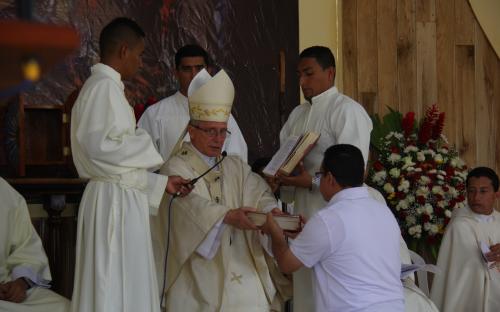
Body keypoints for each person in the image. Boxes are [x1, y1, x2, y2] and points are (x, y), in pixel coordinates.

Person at [70, 17, 191, 312]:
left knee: (124, 283)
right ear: (124, 50)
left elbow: (116, 167)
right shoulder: (103, 88)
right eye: (139, 54)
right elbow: (101, 147)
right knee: (111, 282)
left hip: (119, 199)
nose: (140, 62)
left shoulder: (109, 88)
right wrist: (147, 142)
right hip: (113, 205)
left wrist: (161, 183)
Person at [156, 69, 290, 311]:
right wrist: (226, 216)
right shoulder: (175, 167)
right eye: (211, 131)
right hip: (196, 265)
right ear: (192, 130)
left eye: (222, 131)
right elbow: (185, 208)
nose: (218, 139)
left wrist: (272, 213)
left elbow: (258, 193)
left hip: (242, 256)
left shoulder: (233, 165)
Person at [278, 45, 373, 310]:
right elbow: (283, 158)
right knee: (306, 289)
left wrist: (310, 182)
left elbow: (355, 173)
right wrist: (279, 178)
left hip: (336, 214)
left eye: (309, 73)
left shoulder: (347, 111)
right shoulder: (297, 115)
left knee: (331, 286)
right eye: (299, 75)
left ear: (330, 73)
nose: (302, 82)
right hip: (304, 210)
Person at [261, 144, 404, 311]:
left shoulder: (328, 219)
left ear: (329, 178)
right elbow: (346, 248)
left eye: (319, 175)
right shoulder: (383, 211)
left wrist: (274, 232)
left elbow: (286, 264)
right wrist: (308, 234)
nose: (319, 180)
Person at [138, 44, 248, 162]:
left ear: (208, 71)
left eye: (199, 68)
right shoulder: (155, 114)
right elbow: (142, 161)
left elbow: (237, 158)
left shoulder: (221, 112)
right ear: (175, 73)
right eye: (187, 69)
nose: (194, 75)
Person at [431, 166, 500, 312]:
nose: (476, 197)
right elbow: (462, 269)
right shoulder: (459, 224)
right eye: (471, 191)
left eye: (483, 191)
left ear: (496, 194)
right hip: (468, 295)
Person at [0, 178, 70, 312]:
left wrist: (21, 282)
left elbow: (28, 250)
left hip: (6, 287)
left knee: (64, 308)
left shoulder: (5, 193)